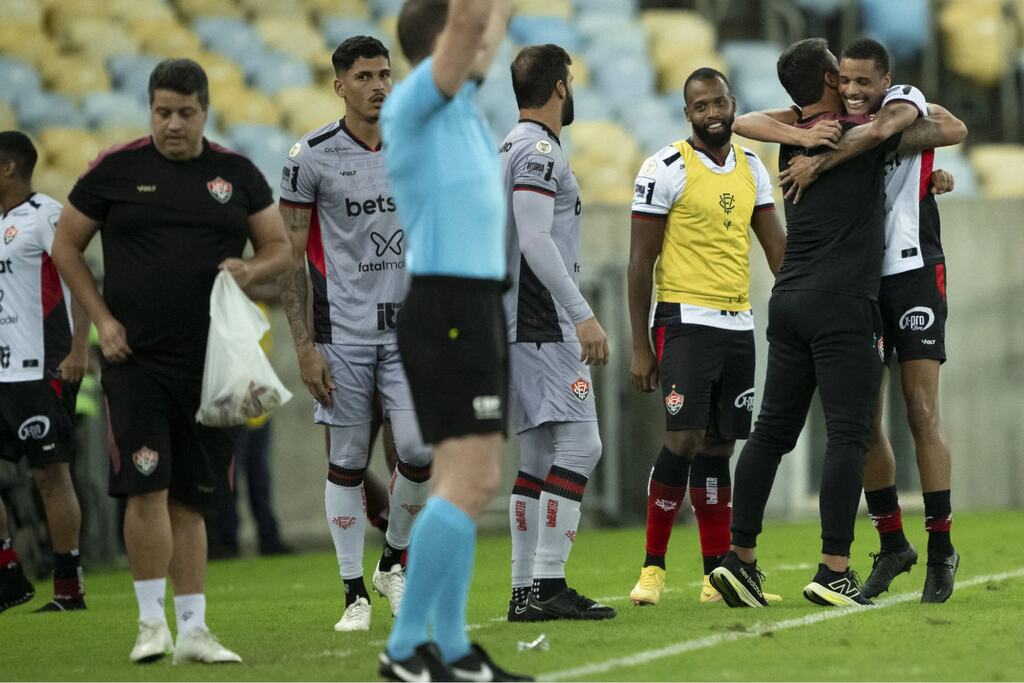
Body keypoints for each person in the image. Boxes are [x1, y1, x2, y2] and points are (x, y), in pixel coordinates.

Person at [710, 38, 964, 608]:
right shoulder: (833, 130)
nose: (850, 88)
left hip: (798, 295)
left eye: (859, 81)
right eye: (841, 78)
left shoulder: (813, 132)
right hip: (847, 300)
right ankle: (839, 566)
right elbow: (925, 132)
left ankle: (739, 559)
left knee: (776, 431)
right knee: (852, 432)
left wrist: (926, 175)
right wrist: (814, 139)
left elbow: (943, 131)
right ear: (830, 80)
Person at [51, 59, 290, 662]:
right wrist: (102, 323)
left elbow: (281, 249)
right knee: (147, 487)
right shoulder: (116, 169)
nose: (173, 124)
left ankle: (195, 631)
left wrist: (249, 269)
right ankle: (150, 625)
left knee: (193, 498)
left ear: (205, 110)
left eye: (185, 113)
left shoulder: (235, 174)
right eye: (162, 112)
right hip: (135, 360)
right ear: (150, 111)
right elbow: (65, 247)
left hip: (214, 367)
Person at [376, 1, 530, 681]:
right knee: (472, 479)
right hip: (446, 305)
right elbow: (471, 23)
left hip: (471, 304)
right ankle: (407, 650)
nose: (483, 47)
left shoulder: (461, 105)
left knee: (470, 482)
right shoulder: (416, 102)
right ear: (441, 42)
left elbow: (487, 26)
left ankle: (455, 648)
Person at [277, 35, 433, 632]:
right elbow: (292, 259)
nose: (377, 85)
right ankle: (353, 598)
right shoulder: (309, 156)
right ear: (339, 84)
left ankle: (392, 559)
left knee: (418, 451)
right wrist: (303, 346)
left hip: (408, 333)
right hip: (341, 335)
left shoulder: (414, 146)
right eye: (364, 76)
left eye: (384, 74)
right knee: (346, 460)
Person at [625, 68, 788, 608]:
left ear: (733, 105)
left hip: (738, 324)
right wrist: (640, 343)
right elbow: (639, 261)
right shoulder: (664, 167)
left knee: (720, 444)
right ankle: (652, 568)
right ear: (688, 114)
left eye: (720, 103)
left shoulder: (752, 167)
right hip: (684, 320)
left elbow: (775, 249)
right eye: (701, 106)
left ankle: (717, 574)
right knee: (683, 439)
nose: (713, 113)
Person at [499, 44, 614, 623]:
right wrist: (582, 315)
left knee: (541, 453)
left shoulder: (511, 146)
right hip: (543, 321)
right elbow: (534, 239)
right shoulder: (540, 151)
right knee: (581, 446)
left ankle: (526, 590)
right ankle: (546, 582)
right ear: (561, 87)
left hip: (522, 321)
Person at [0, 131, 90, 613]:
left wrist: (79, 347)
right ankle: (8, 572)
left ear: (8, 168)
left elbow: (80, 279)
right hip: (1, 369)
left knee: (48, 477)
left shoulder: (46, 215)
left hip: (41, 366)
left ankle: (68, 586)